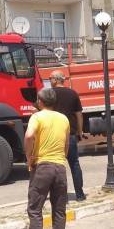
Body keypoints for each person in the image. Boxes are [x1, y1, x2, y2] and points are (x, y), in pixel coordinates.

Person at [24, 88, 70, 229]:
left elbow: (29, 136)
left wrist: (29, 157)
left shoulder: (37, 117)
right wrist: (62, 158)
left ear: (40, 101)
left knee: (35, 209)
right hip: (60, 167)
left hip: (42, 167)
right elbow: (66, 144)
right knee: (59, 210)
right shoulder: (64, 118)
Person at [50, 70, 86, 202]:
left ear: (55, 80)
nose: (49, 81)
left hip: (55, 136)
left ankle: (61, 197)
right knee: (74, 164)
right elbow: (79, 114)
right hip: (70, 134)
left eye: (50, 78)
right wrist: (80, 132)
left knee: (58, 166)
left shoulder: (50, 95)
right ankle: (80, 194)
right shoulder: (73, 93)